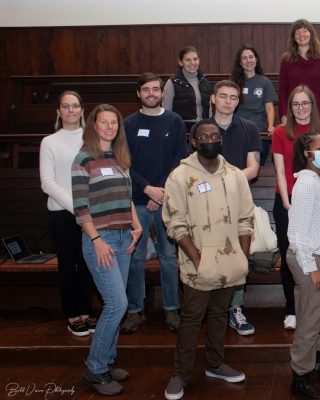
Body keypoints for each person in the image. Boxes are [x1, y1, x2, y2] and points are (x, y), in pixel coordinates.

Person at [162, 119, 255, 400]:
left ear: (221, 140)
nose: (209, 140)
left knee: (219, 315)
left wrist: (242, 254)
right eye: (203, 137)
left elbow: (246, 218)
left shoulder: (235, 174)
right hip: (198, 263)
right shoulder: (179, 176)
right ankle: (180, 373)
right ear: (193, 141)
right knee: (191, 319)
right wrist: (198, 260)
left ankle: (215, 364)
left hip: (229, 261)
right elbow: (175, 223)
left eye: (214, 136)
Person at [72, 104, 142, 396]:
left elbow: (126, 199)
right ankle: (95, 369)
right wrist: (97, 241)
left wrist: (136, 227)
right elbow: (80, 208)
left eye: (114, 122)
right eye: (104, 122)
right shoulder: (83, 159)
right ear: (94, 125)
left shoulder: (119, 158)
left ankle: (108, 361)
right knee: (117, 305)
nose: (110, 127)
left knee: (117, 302)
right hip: (99, 241)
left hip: (124, 238)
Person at [122, 72, 188, 334]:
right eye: (146, 90)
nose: (151, 93)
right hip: (136, 202)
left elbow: (180, 159)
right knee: (135, 258)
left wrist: (159, 191)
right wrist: (147, 189)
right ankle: (134, 311)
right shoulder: (128, 124)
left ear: (162, 93)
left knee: (169, 257)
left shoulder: (175, 121)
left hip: (168, 201)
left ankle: (172, 309)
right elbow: (124, 163)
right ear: (139, 93)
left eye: (155, 89)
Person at [272, 85, 320, 330]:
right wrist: (288, 201)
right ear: (290, 107)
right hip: (287, 201)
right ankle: (291, 309)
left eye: (305, 103)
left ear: (312, 105)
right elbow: (279, 169)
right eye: (296, 104)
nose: (300, 108)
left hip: (316, 203)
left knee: (317, 252)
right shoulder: (280, 132)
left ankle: (316, 306)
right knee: (292, 256)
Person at [287, 131, 320, 400]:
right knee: (310, 317)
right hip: (308, 257)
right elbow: (297, 235)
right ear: (307, 154)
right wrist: (312, 268)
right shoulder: (306, 184)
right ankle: (300, 376)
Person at [40, 90, 95, 337]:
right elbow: (48, 183)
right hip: (63, 214)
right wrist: (77, 208)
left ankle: (85, 311)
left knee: (86, 265)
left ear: (82, 111)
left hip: (90, 213)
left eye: (75, 106)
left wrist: (87, 210)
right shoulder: (49, 142)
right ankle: (72, 315)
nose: (70, 110)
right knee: (67, 266)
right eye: (65, 106)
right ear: (58, 112)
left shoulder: (91, 139)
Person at [209, 79, 261, 335]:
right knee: (211, 255)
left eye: (233, 97)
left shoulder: (249, 128)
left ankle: (236, 308)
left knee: (240, 257)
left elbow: (253, 167)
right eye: (223, 96)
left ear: (238, 101)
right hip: (206, 205)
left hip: (239, 202)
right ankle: (214, 309)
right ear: (213, 98)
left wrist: (227, 179)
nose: (228, 101)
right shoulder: (202, 128)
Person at [278, 19, 320, 128]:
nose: (301, 35)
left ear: (311, 34)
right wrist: (283, 116)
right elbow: (282, 91)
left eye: (305, 31)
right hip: (293, 115)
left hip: (317, 116)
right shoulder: (286, 60)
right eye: (297, 32)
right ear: (293, 37)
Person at [231, 44, 278, 165]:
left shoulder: (264, 82)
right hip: (238, 130)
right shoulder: (233, 82)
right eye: (244, 58)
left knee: (254, 164)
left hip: (259, 131)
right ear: (240, 62)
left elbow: (269, 106)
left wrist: (271, 126)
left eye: (251, 57)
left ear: (256, 59)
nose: (248, 60)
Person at [163, 46, 212, 132]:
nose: (192, 63)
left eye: (195, 59)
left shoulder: (205, 82)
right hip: (181, 130)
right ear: (180, 62)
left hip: (203, 130)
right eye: (188, 60)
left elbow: (209, 109)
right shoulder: (172, 83)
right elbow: (166, 113)